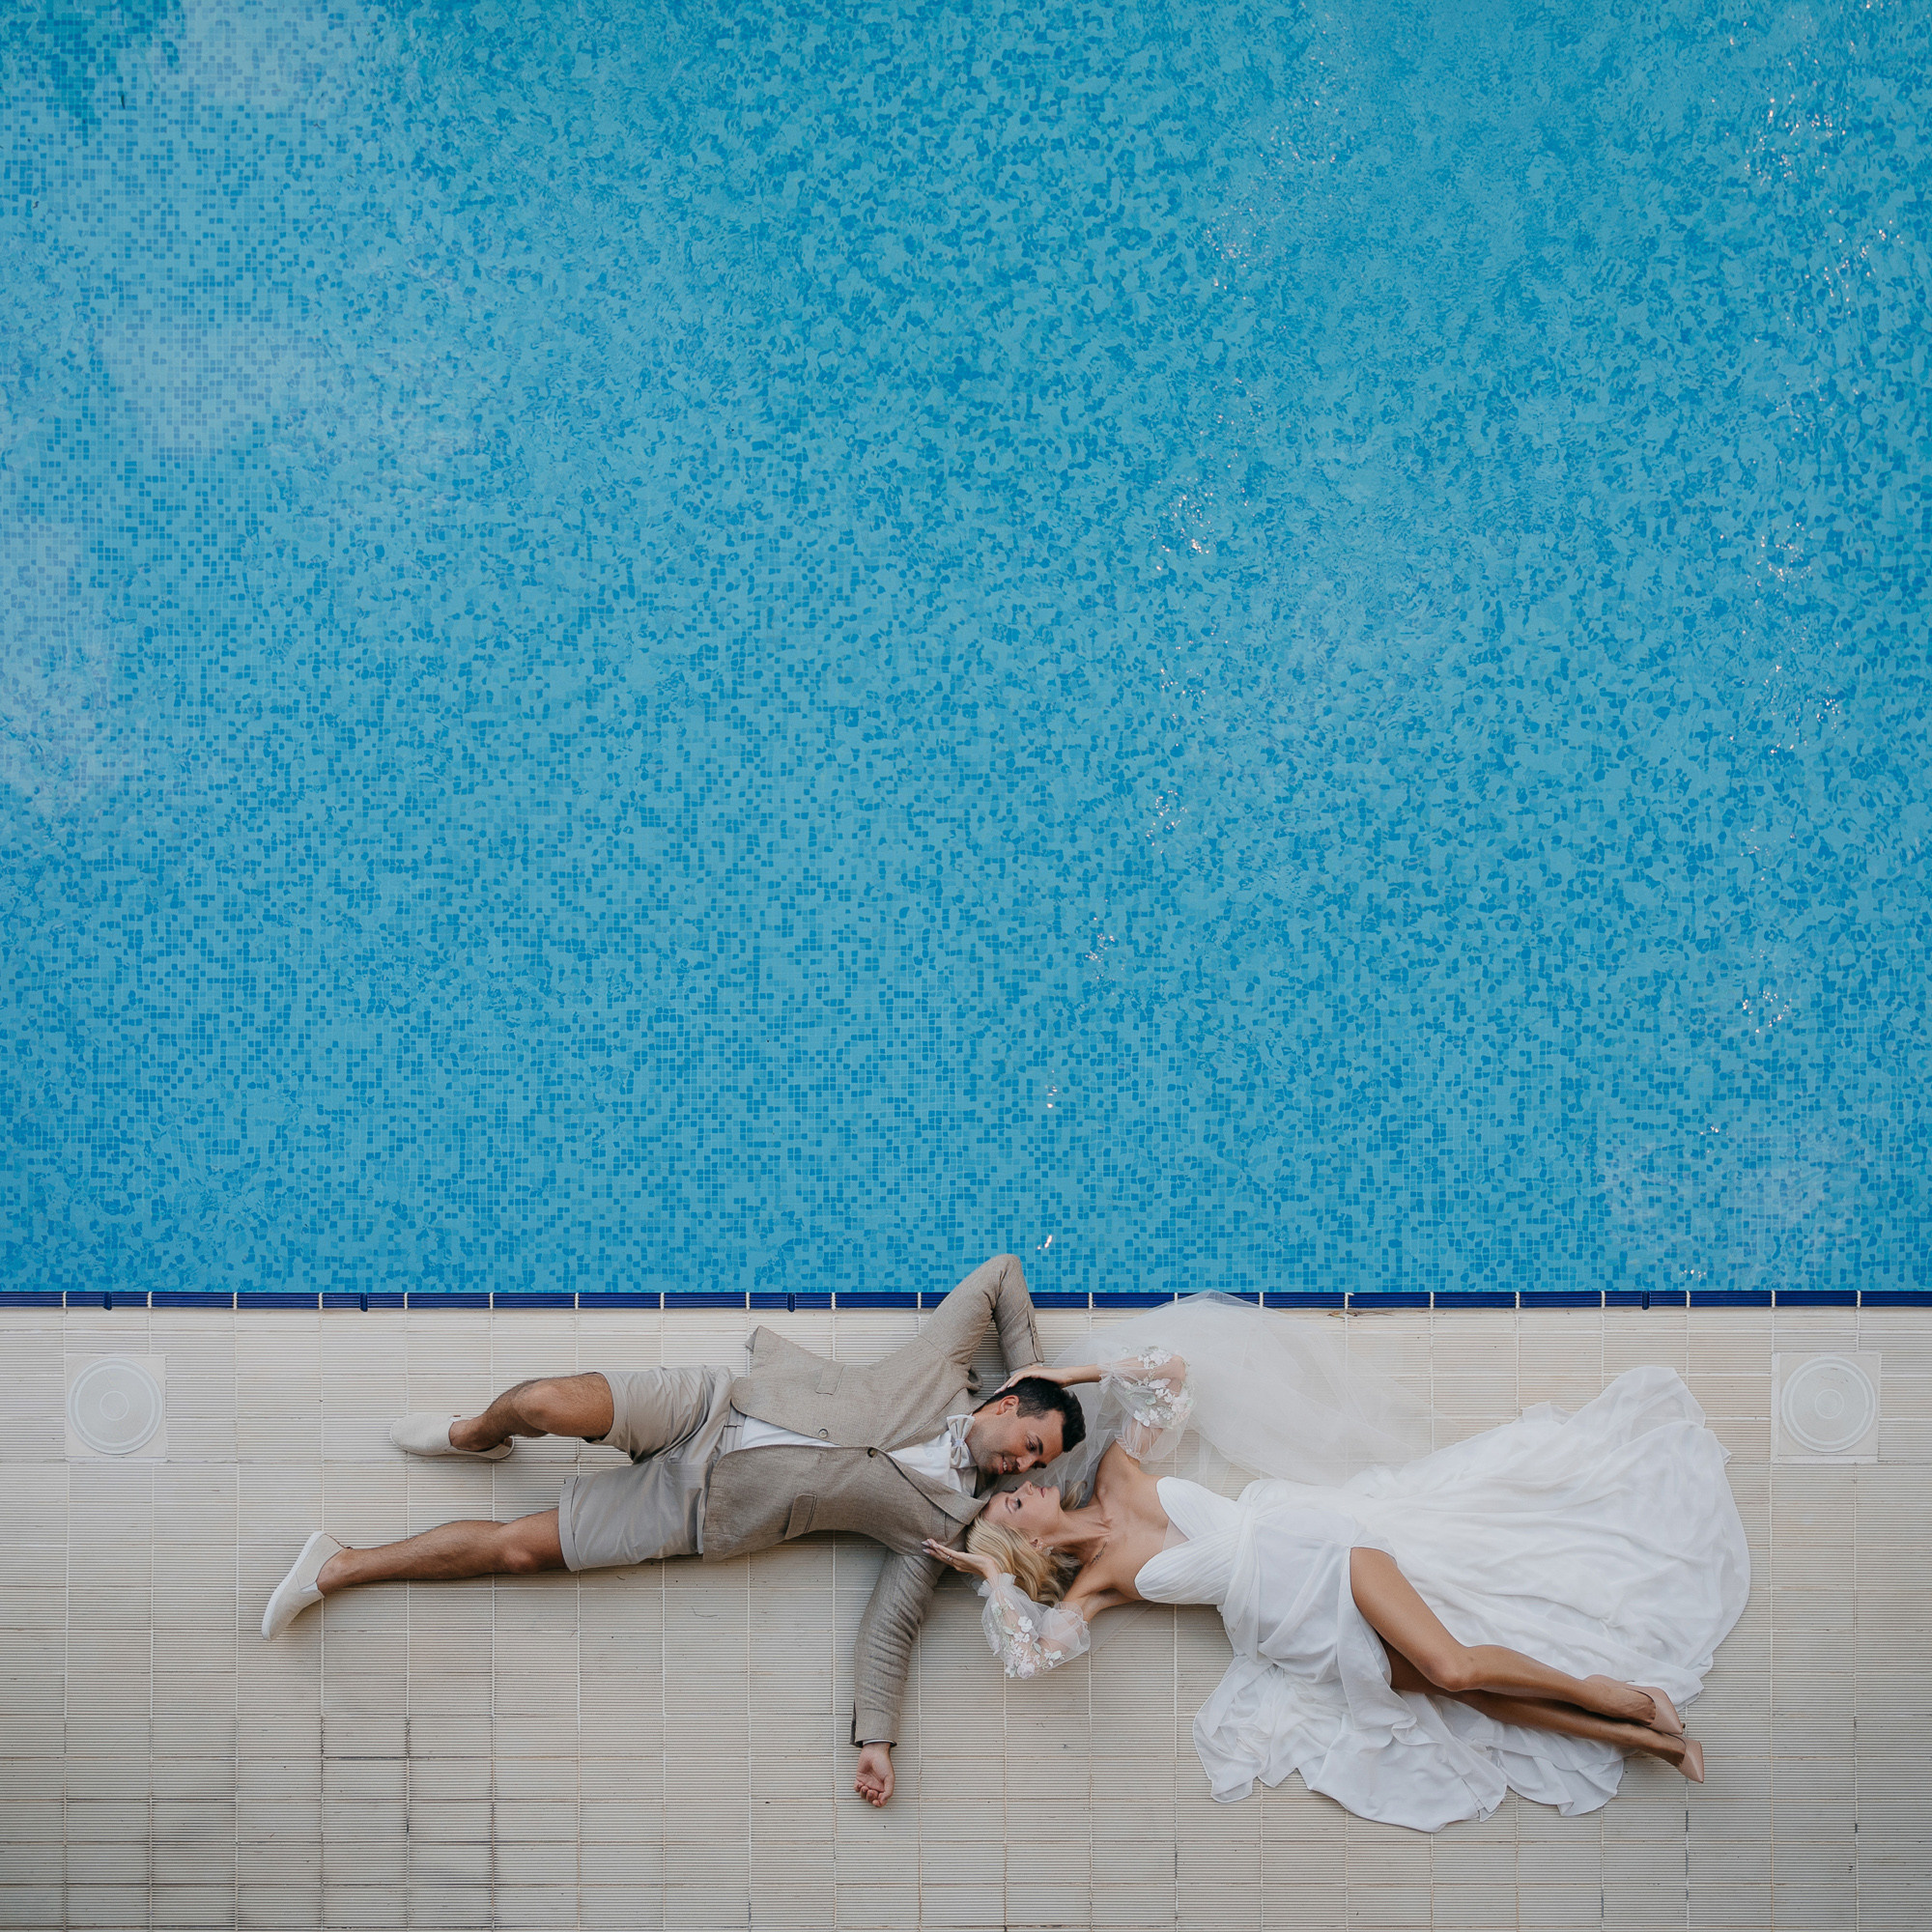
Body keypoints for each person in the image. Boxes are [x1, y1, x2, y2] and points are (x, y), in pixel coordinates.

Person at [260, 1253, 1084, 1807]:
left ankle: (338, 1567)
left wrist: (878, 1739)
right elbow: (1003, 1273)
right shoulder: (943, 1367)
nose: (1021, 1466)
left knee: (520, 1551)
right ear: (1010, 1401)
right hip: (709, 1406)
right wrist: (1036, 1360)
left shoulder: (945, 1524)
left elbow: (893, 1627)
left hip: (696, 1511)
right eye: (1031, 1445)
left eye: (1033, 1466)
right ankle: (476, 1435)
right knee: (542, 1402)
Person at [927, 1310, 1750, 1833]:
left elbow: (1170, 1374)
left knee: (1451, 1667)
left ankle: (1626, 1697)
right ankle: (1643, 1740)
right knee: (1468, 1698)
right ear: (1028, 1546)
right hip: (1293, 1629)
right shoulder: (1095, 1586)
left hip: (1316, 1552)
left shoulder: (1117, 1469)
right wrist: (994, 1581)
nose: (1028, 1482)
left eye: (1019, 1479)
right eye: (1014, 1501)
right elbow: (1033, 1657)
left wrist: (1063, 1378)